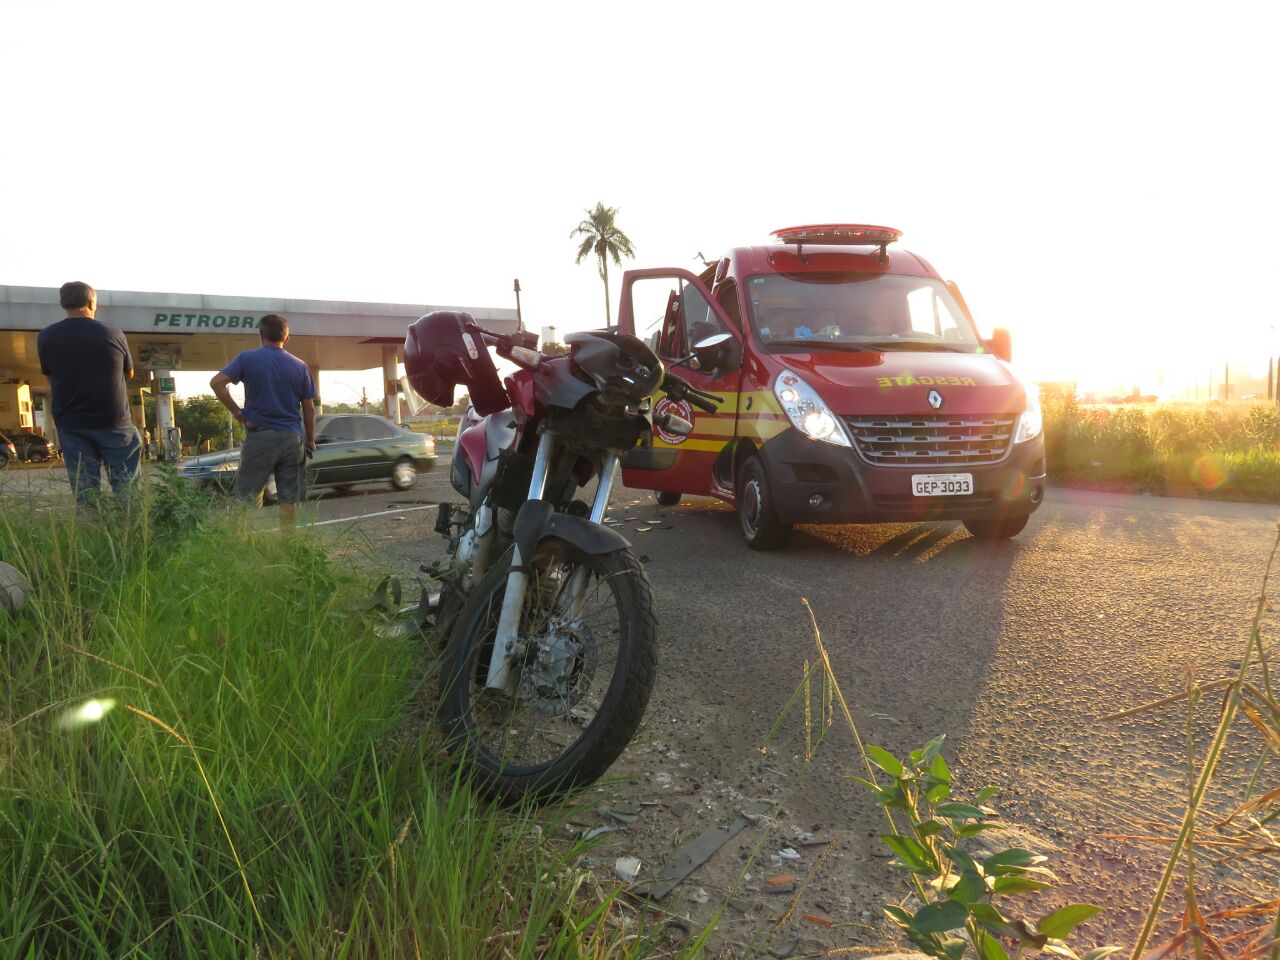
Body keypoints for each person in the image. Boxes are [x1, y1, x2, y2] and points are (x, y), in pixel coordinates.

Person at [36, 281, 143, 503]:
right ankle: (131, 533)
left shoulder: (46, 336)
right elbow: (129, 373)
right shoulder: (112, 332)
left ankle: (91, 532)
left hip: (71, 422)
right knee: (127, 486)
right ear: (92, 302)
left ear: (62, 304)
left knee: (86, 488)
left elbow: (50, 377)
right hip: (113, 420)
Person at [210, 313, 317, 525]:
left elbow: (217, 383)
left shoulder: (247, 358)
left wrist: (236, 412)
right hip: (292, 439)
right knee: (289, 498)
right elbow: (309, 408)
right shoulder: (300, 366)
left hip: (260, 437)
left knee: (246, 497)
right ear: (287, 338)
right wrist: (310, 439)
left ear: (261, 335)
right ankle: (289, 545)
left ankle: (244, 544)